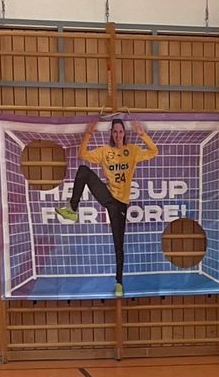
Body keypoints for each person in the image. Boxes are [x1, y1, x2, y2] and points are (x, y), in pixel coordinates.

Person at [55, 114, 158, 295]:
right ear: (111, 133)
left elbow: (154, 151)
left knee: (119, 244)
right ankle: (72, 209)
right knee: (83, 171)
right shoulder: (104, 151)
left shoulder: (132, 151)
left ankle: (119, 283)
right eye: (115, 132)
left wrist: (142, 135)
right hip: (108, 196)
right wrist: (88, 133)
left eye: (120, 132)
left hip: (120, 204)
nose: (118, 135)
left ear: (124, 133)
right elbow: (82, 154)